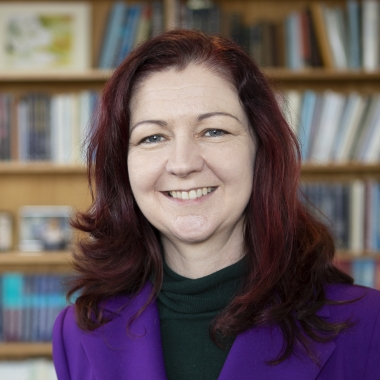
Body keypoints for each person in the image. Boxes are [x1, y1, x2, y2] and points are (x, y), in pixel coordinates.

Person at [52, 30, 380, 380]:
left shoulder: (368, 325)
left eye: (213, 131)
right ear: (123, 166)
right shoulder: (77, 333)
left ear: (261, 150)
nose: (183, 163)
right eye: (153, 137)